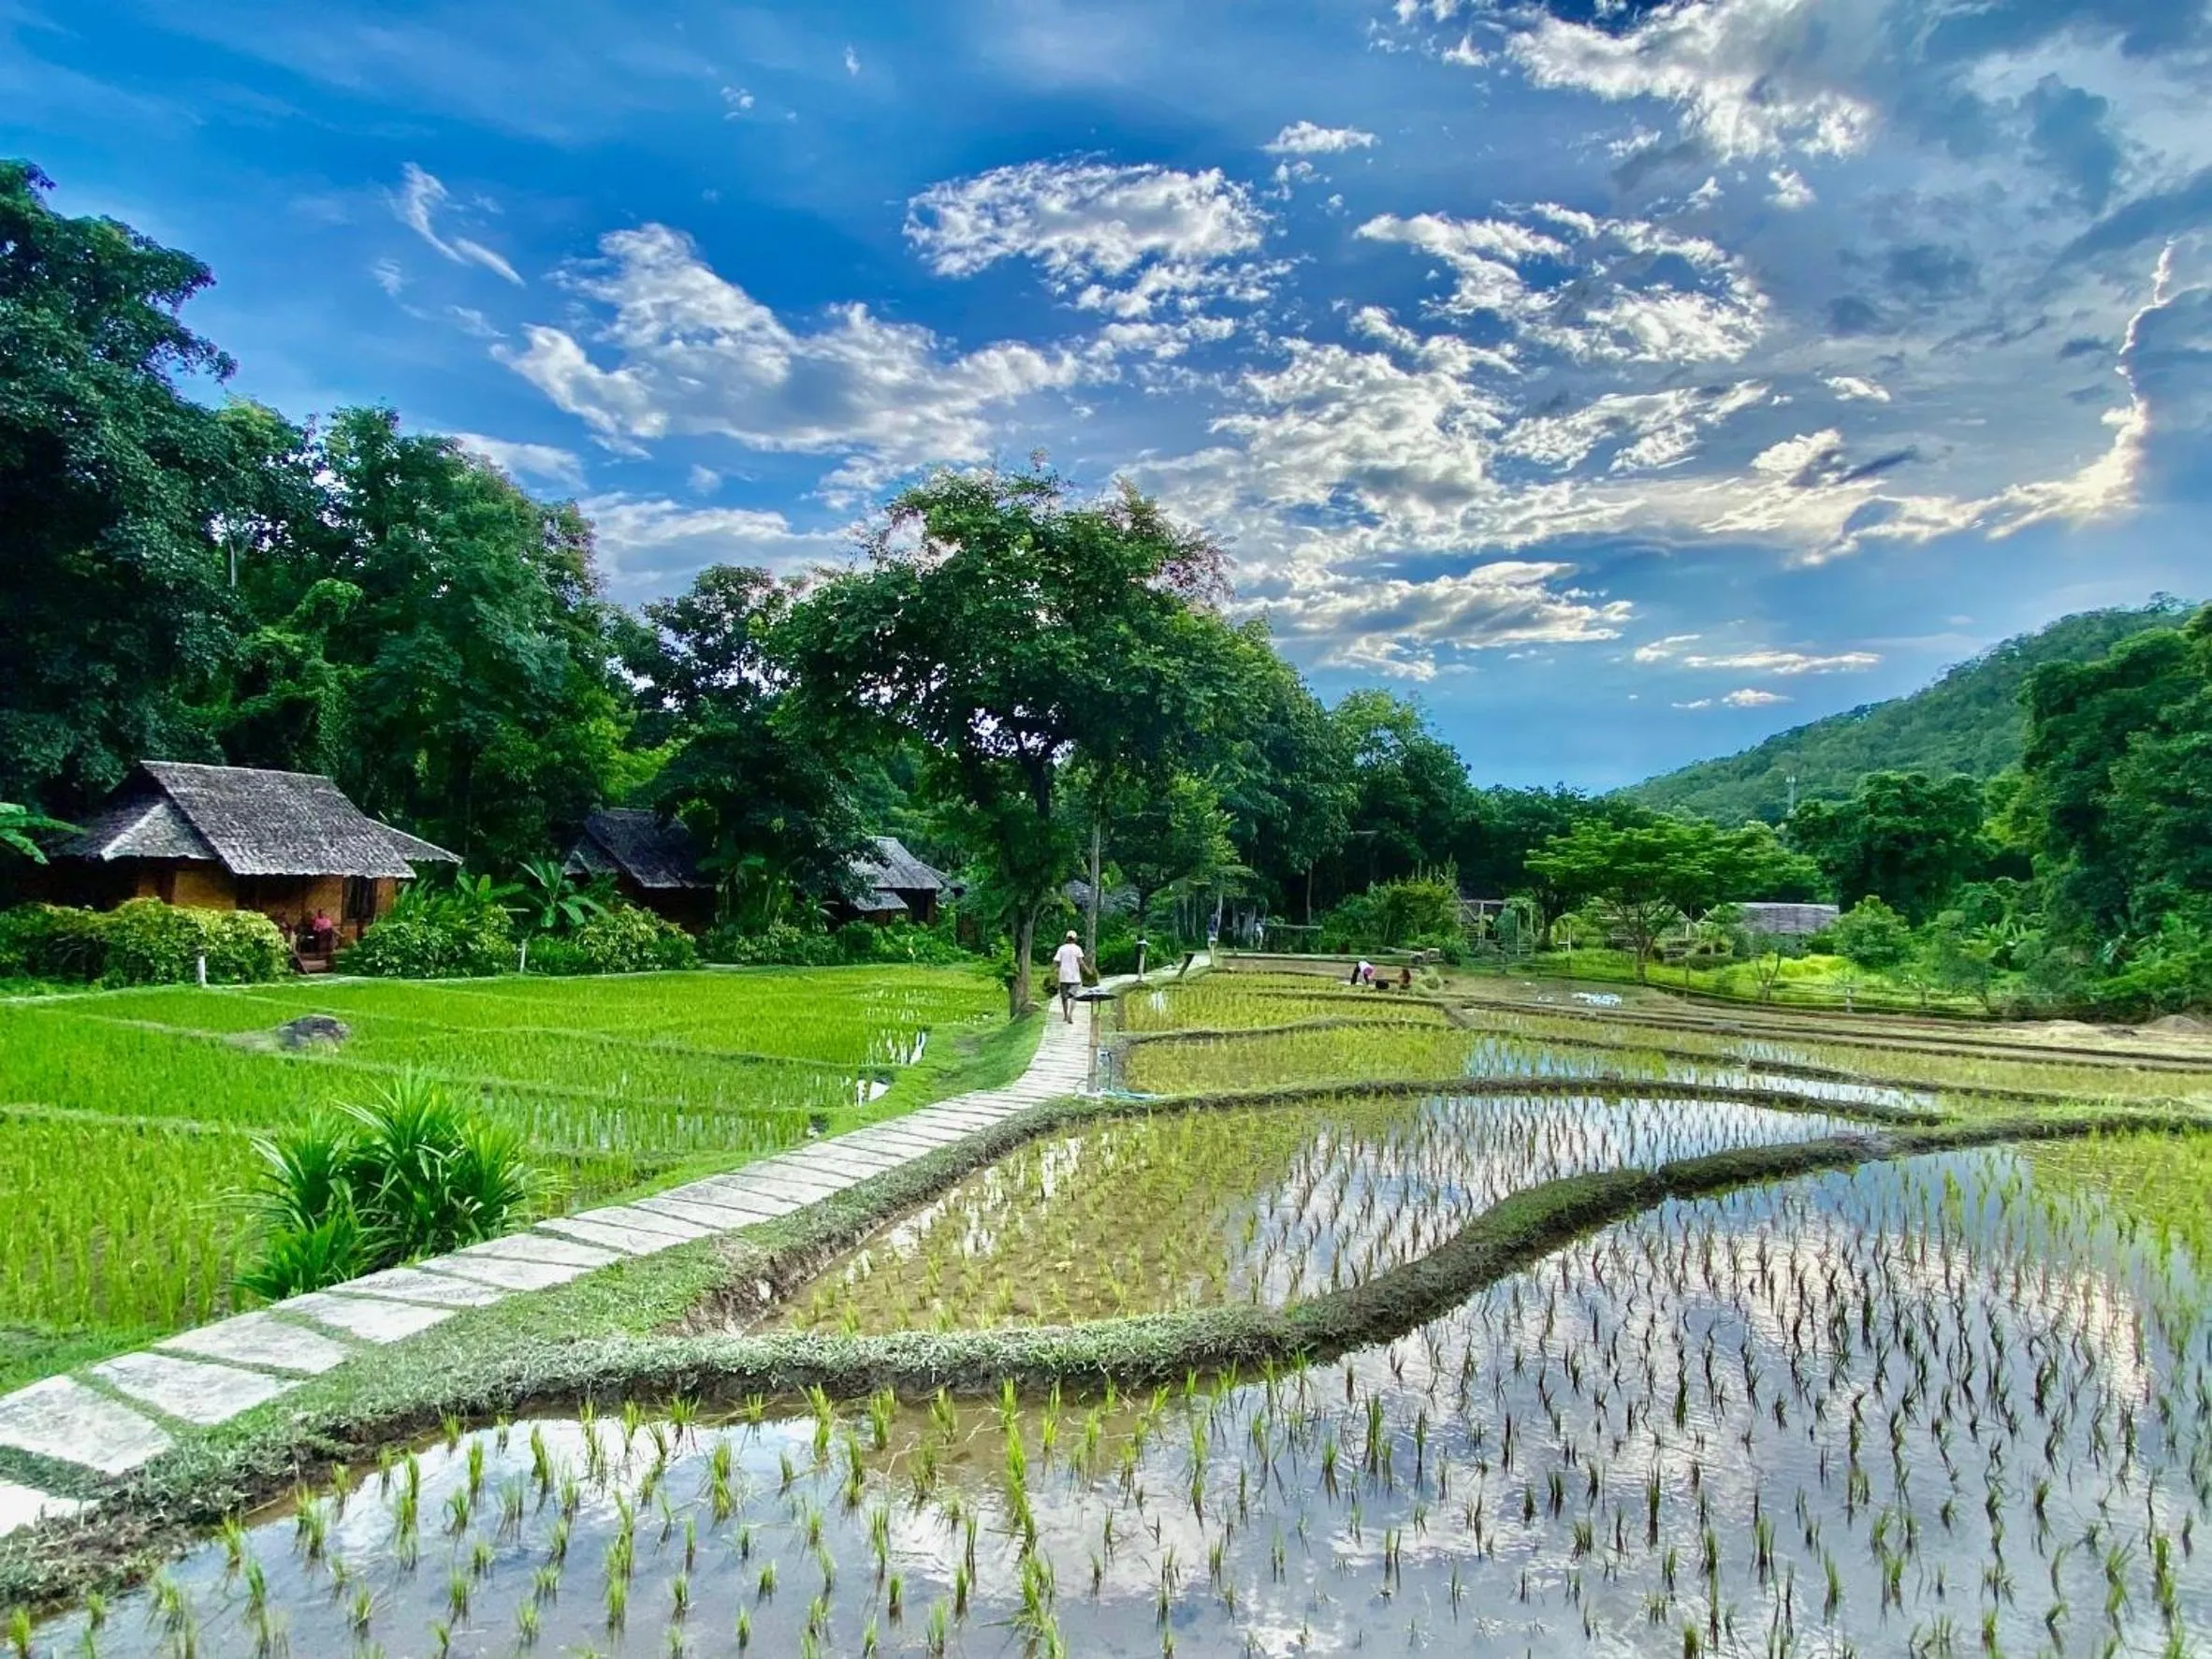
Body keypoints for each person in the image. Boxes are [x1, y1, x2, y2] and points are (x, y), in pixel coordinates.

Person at [1052, 930, 1088, 1024]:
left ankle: (1065, 1016)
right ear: (1075, 939)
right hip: (1075, 977)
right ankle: (1070, 1014)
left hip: (1063, 976)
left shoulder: (1061, 948)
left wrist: (1053, 971)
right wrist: (1087, 970)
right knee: (1073, 997)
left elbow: (1056, 961)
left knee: (1064, 998)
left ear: (1066, 938)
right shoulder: (1077, 949)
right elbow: (1081, 962)